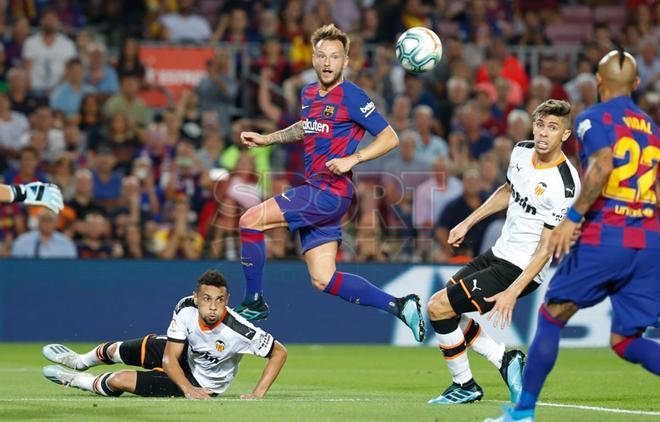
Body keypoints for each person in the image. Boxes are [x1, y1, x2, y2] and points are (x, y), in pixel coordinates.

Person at [487, 50, 659, 422]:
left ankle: (521, 413)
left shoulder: (594, 117)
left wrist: (573, 217)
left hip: (606, 236)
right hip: (648, 241)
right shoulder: (651, 127)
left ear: (598, 82)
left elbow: (601, 165)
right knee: (625, 341)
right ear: (636, 84)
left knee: (551, 317)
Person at [233, 24, 425, 342]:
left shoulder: (351, 95)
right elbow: (305, 127)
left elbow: (390, 137)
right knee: (323, 279)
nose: (327, 62)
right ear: (313, 58)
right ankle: (399, 305)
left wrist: (354, 159)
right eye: (322, 55)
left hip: (328, 192)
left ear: (345, 61)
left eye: (334, 57)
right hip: (321, 193)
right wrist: (268, 139)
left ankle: (254, 302)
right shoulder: (309, 93)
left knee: (249, 220)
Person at [426, 100, 580, 405]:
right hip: (498, 253)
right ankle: (504, 362)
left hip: (522, 267)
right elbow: (509, 192)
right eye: (540, 124)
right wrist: (467, 222)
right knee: (444, 310)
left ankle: (465, 384)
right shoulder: (521, 150)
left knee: (438, 307)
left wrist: (512, 291)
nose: (543, 133)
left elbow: (545, 248)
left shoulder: (564, 185)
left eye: (552, 127)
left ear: (565, 134)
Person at [42, 270, 287, 399]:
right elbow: (170, 359)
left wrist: (258, 393)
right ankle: (80, 361)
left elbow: (279, 352)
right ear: (195, 298)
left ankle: (75, 380)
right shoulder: (185, 307)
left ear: (227, 301)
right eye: (207, 299)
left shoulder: (240, 330)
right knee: (118, 350)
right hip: (183, 356)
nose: (213, 306)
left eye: (219, 300)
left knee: (118, 380)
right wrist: (185, 388)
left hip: (201, 383)